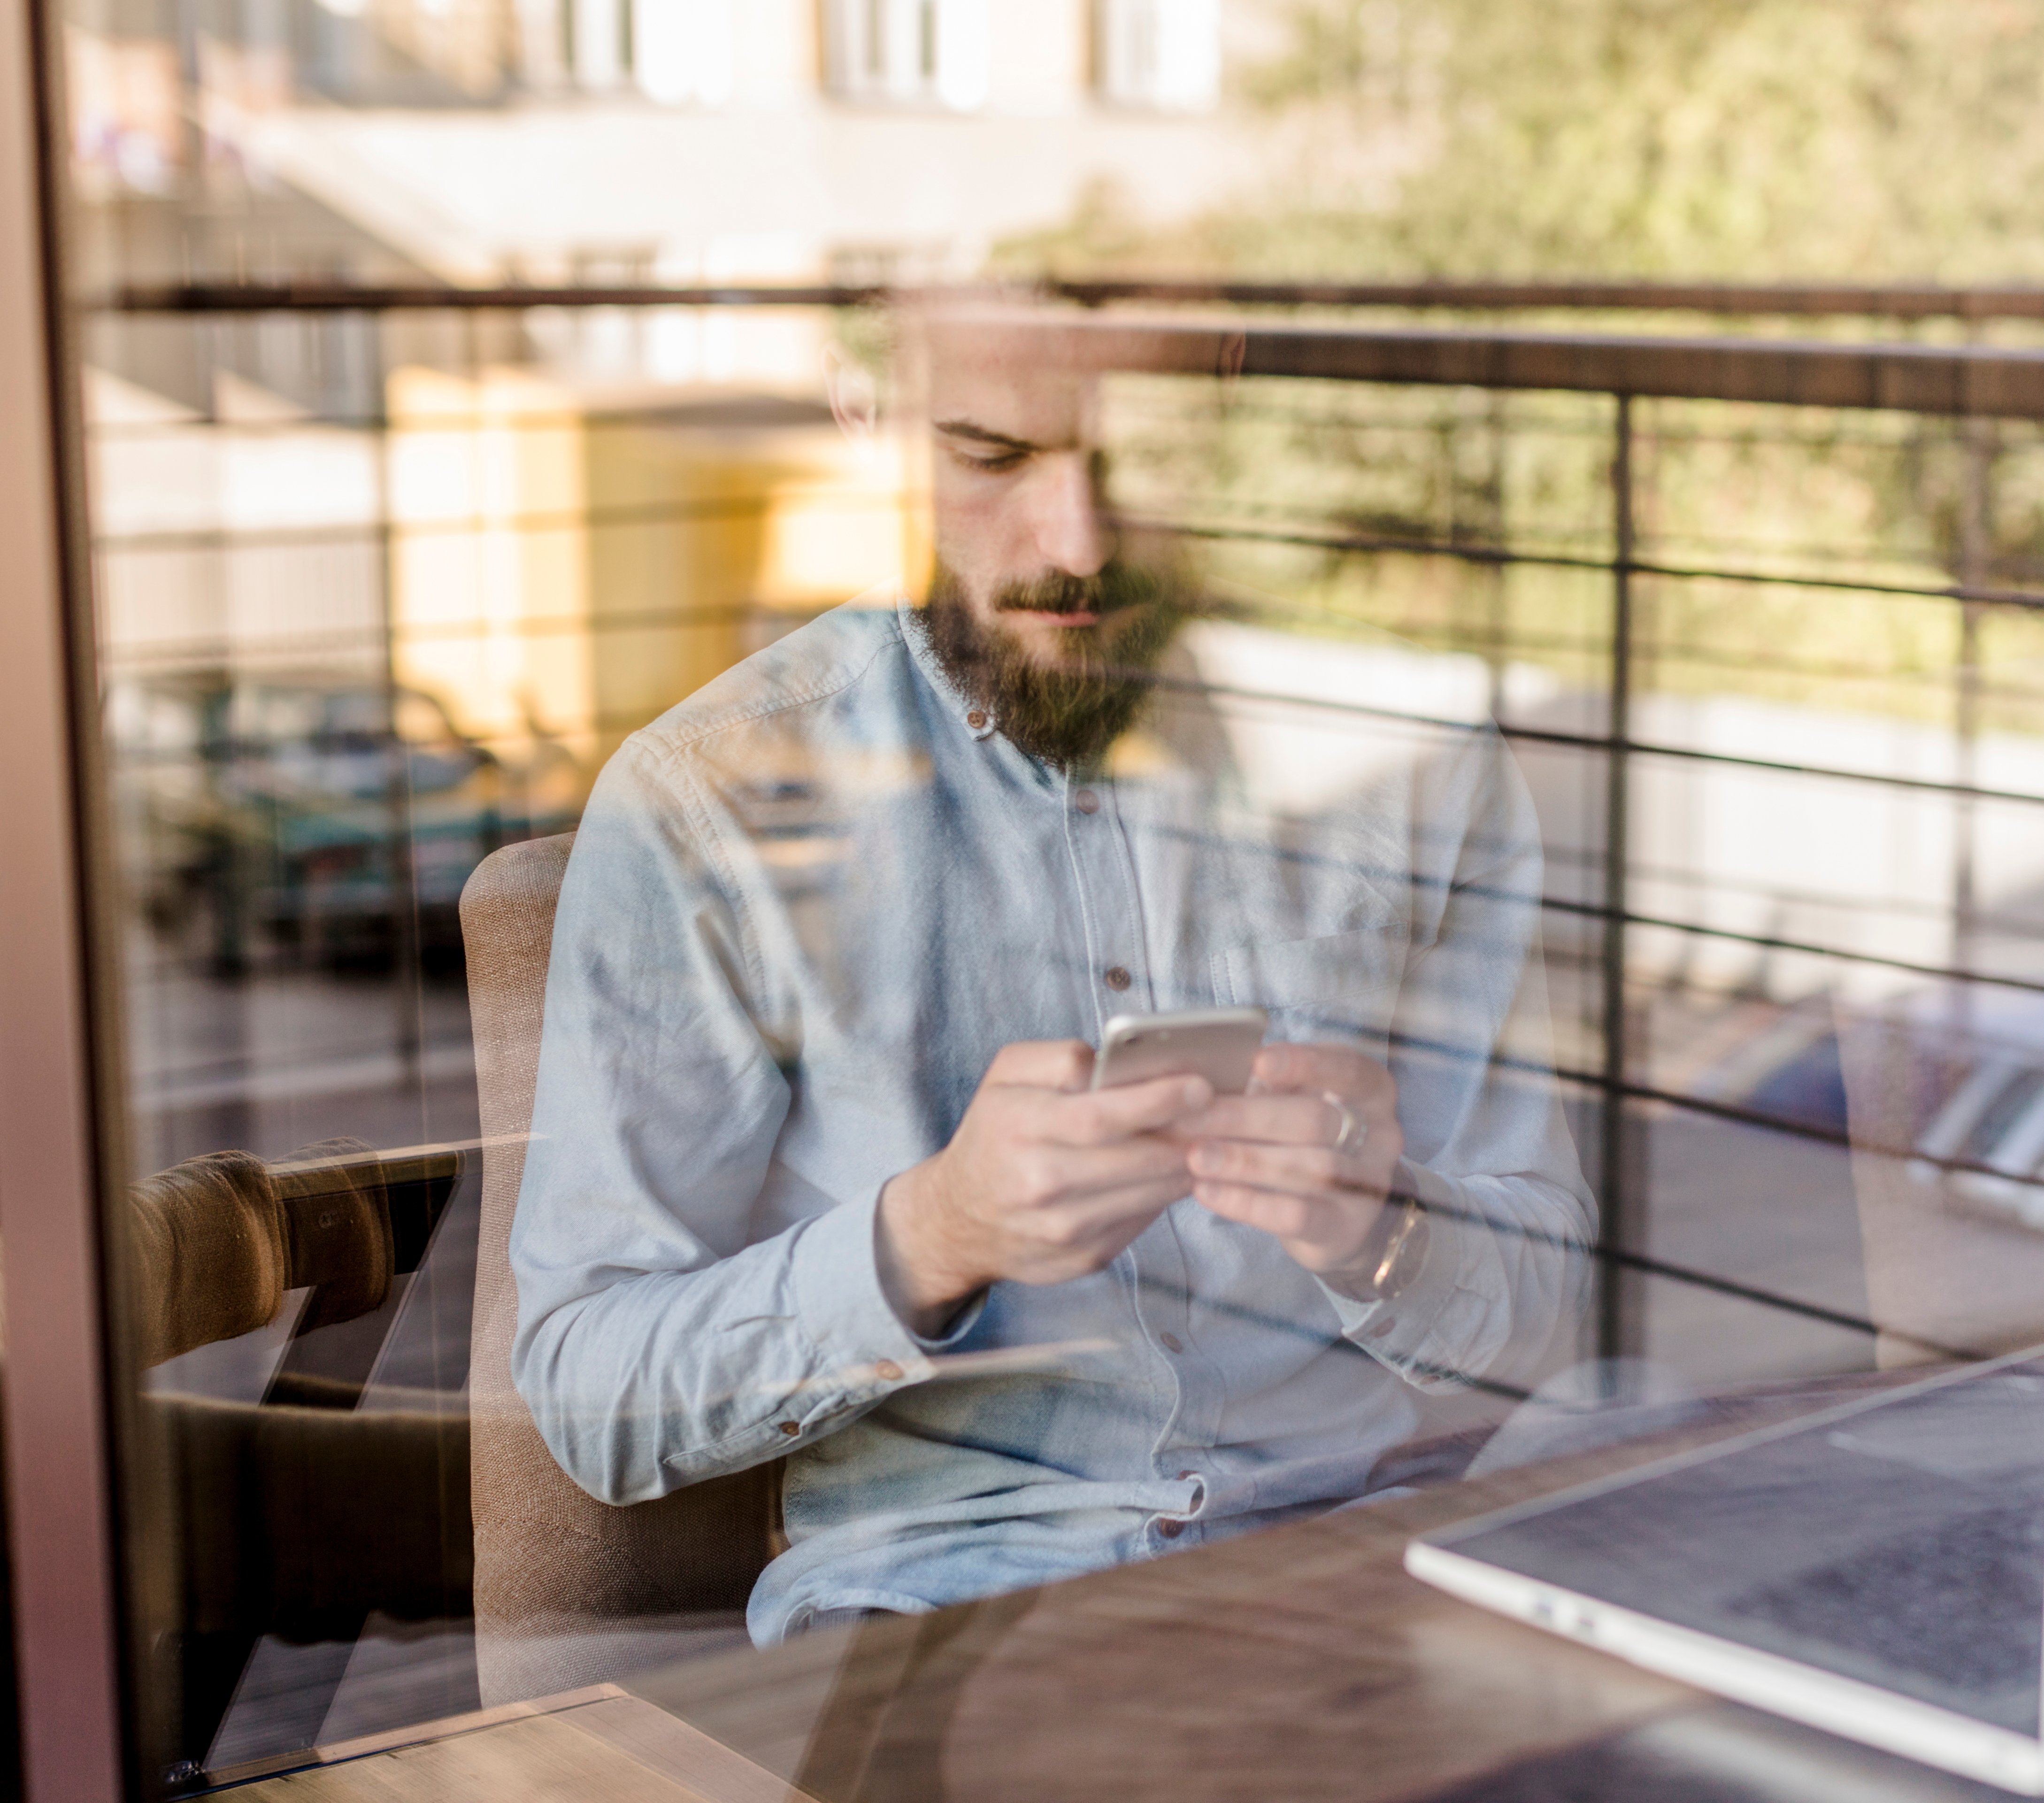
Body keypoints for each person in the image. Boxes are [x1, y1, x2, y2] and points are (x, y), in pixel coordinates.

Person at [510, 316, 1591, 1643]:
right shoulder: (706, 808)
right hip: (953, 1619)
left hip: (1375, 1579)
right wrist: (931, 1239)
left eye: (1141, 455)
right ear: (868, 410)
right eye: (992, 455)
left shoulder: (1408, 754)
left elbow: (1557, 1304)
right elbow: (586, 1396)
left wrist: (1382, 1231)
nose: (1078, 543)